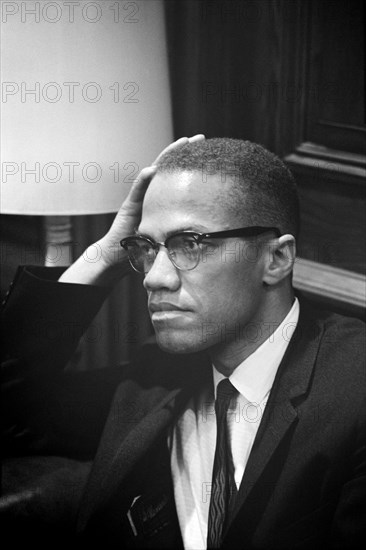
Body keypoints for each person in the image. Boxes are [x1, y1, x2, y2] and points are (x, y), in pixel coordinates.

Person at [1, 136, 365, 549]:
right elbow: (11, 418)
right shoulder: (151, 380)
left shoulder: (355, 389)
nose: (154, 278)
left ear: (276, 259)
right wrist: (102, 257)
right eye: (146, 248)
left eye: (189, 244)